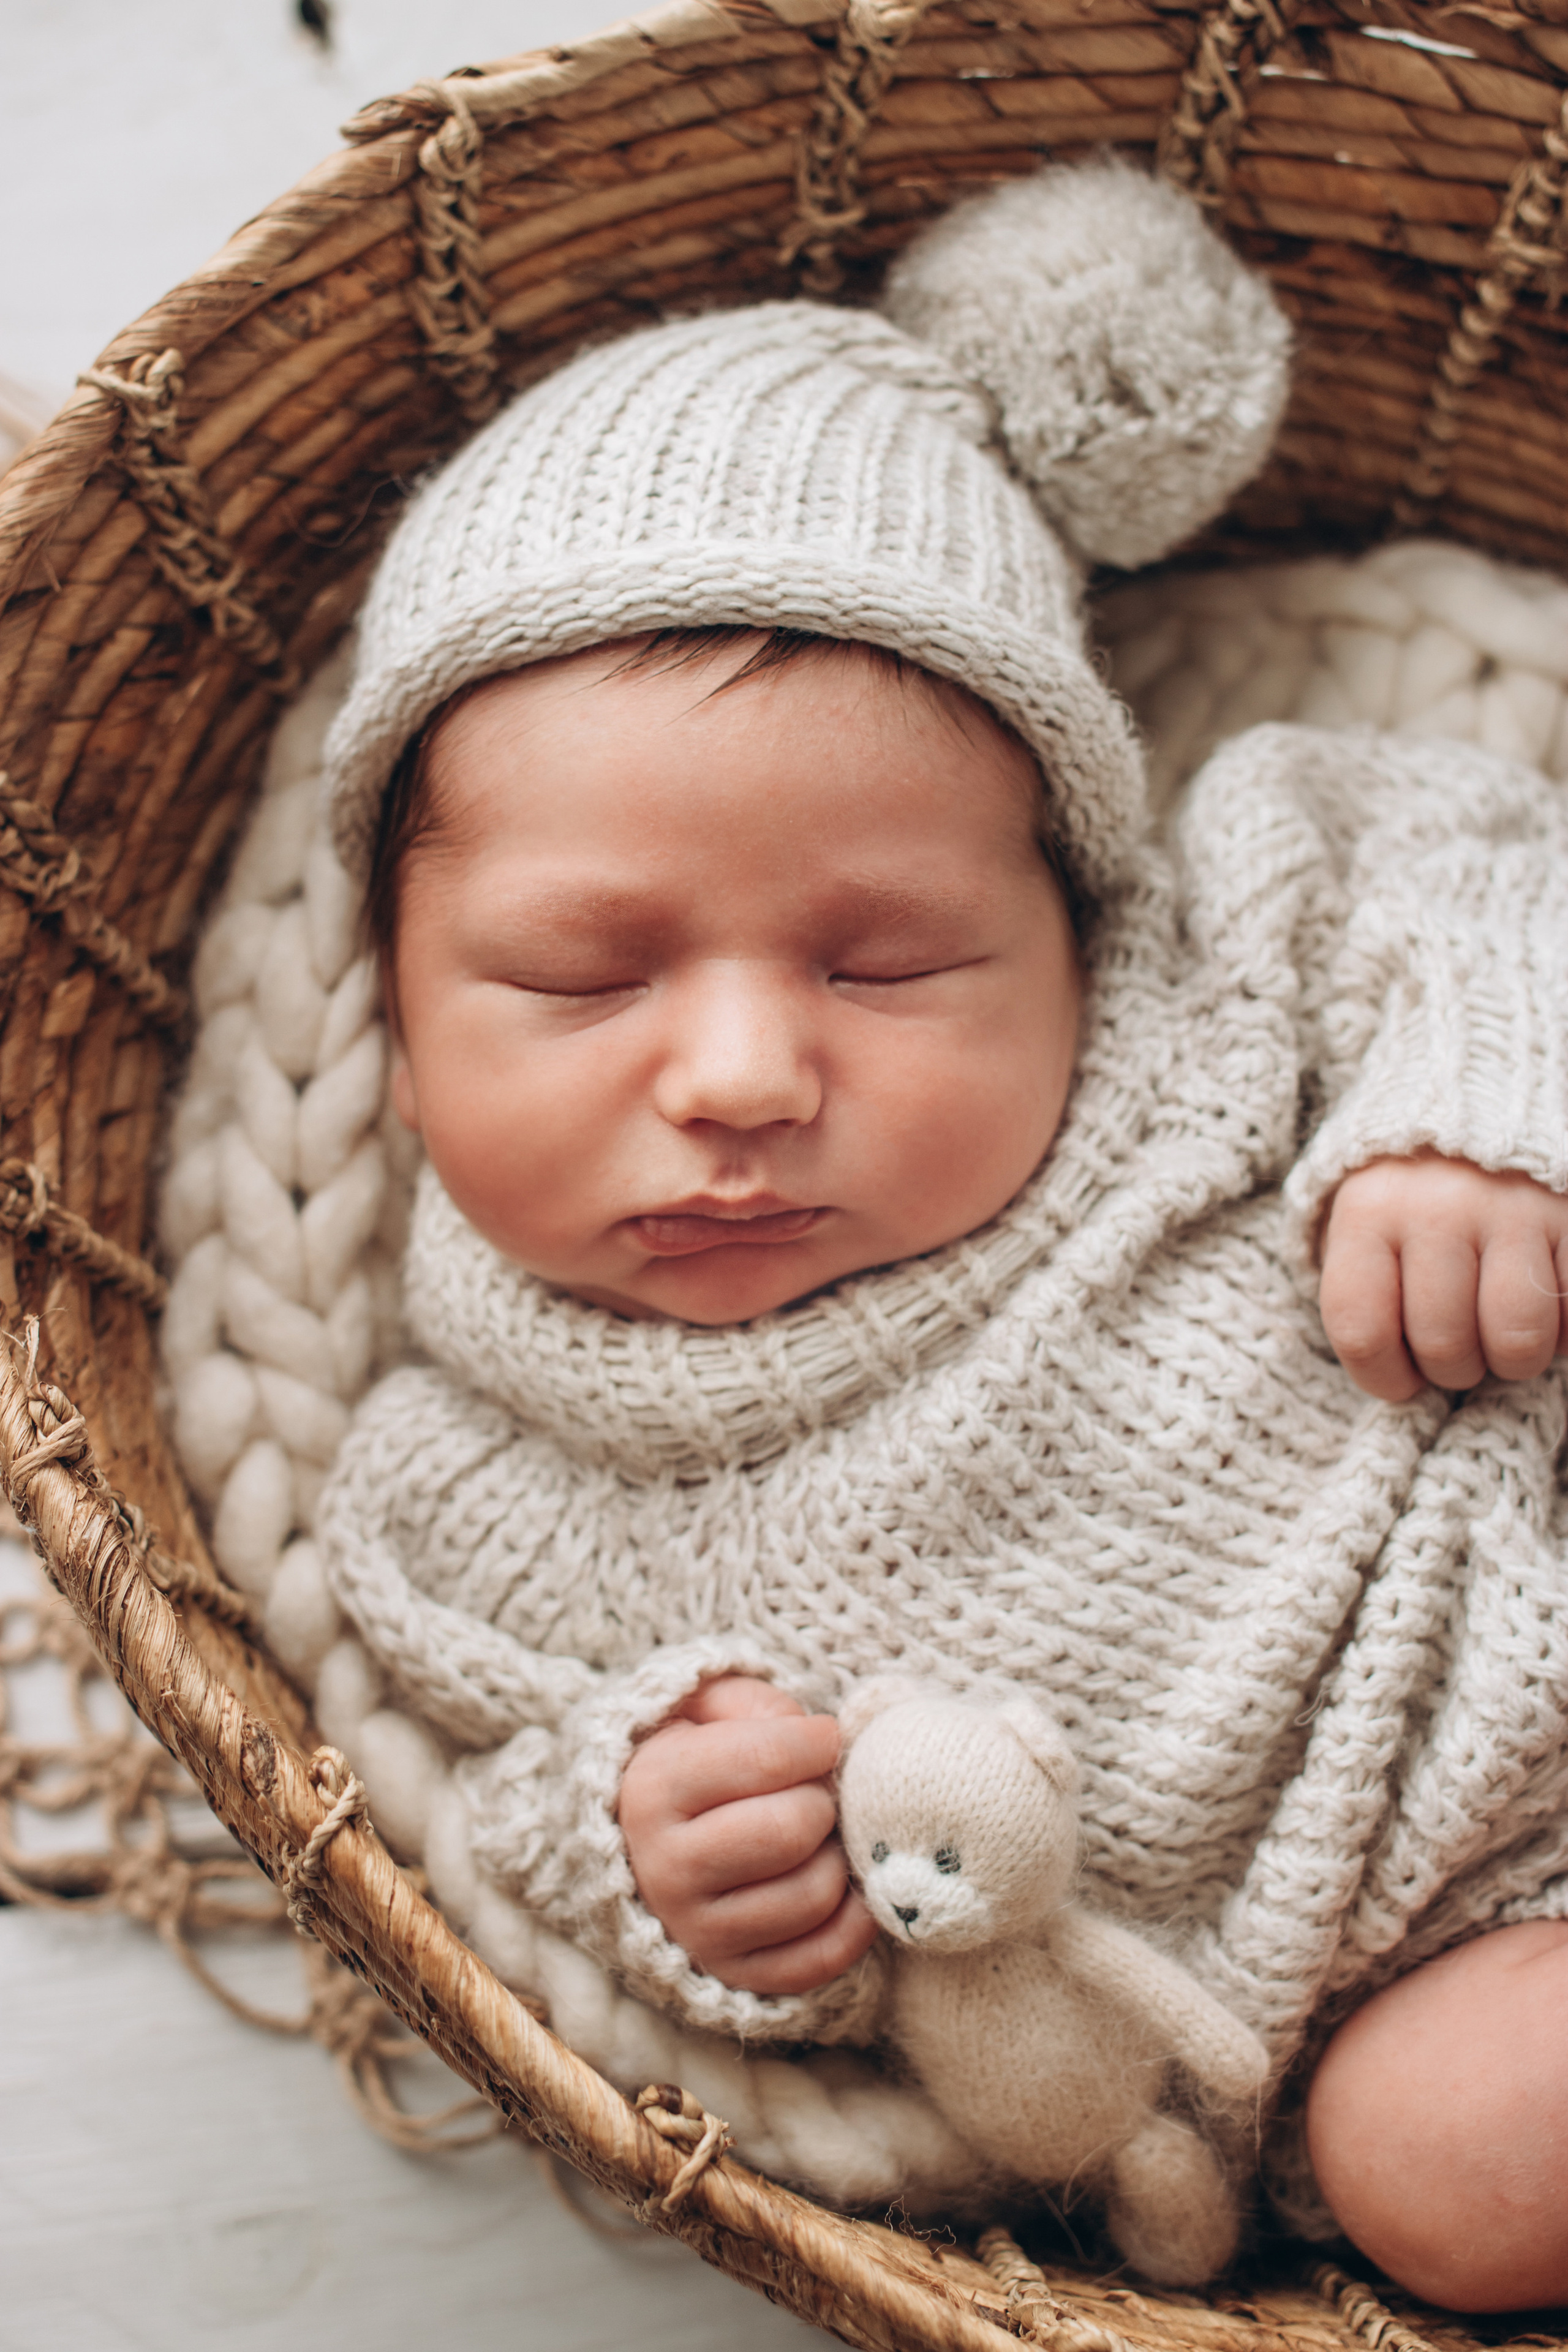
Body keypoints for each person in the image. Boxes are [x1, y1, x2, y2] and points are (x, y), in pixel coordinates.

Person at [315, 160, 1568, 2306]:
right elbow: (512, 1825)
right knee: (1439, 2173)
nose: (737, 1076)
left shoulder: (1224, 976)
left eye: (884, 967)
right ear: (403, 1031)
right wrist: (673, 1861)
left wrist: (1474, 1114)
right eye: (581, 982)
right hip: (1444, 1969)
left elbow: (1492, 865)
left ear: (1082, 935)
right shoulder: (457, 1498)